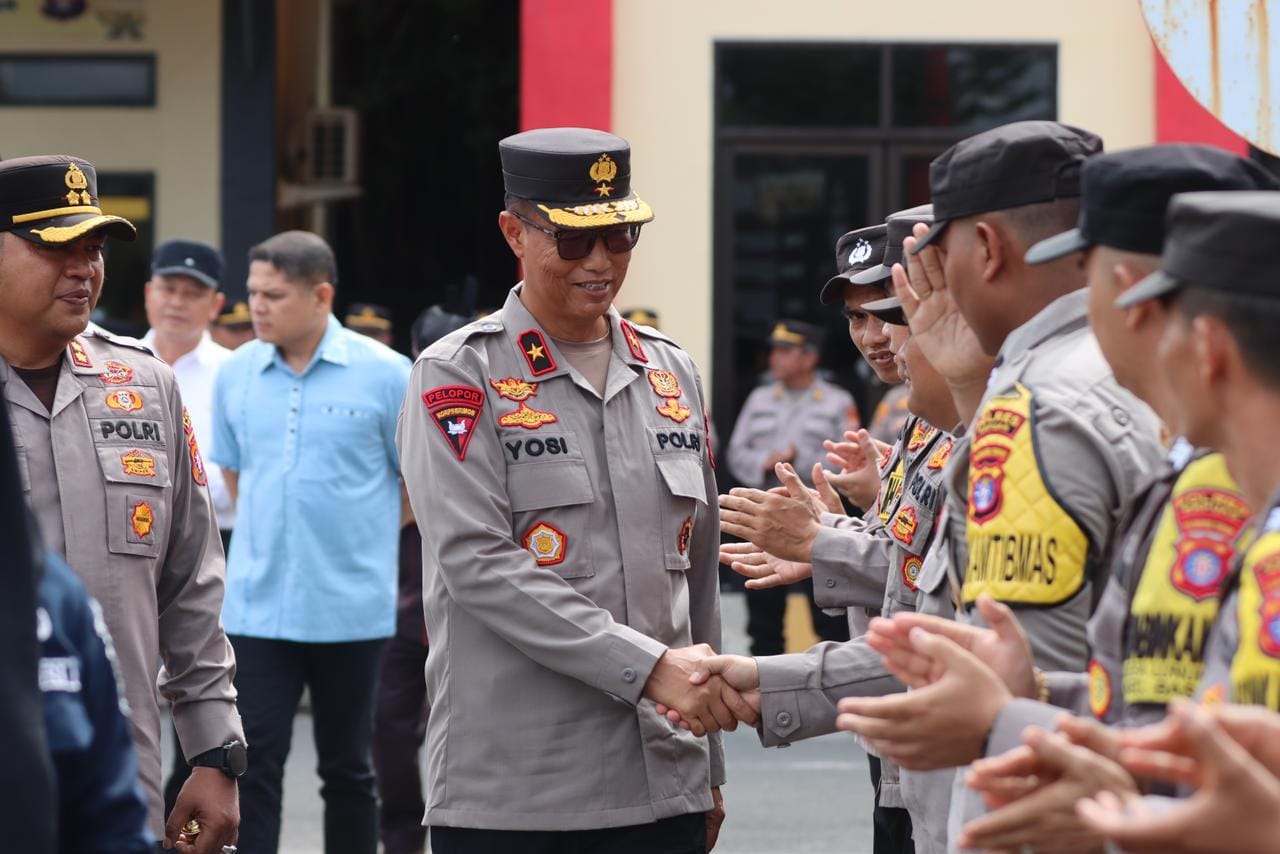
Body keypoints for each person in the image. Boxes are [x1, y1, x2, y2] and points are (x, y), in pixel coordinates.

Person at [846, 145, 1279, 852]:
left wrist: (1011, 720)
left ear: (1206, 346)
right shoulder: (1191, 473)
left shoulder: (1061, 409)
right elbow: (1174, 716)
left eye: (1093, 281)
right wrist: (1043, 697)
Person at [399, 127, 752, 854]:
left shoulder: (671, 373)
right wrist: (649, 670)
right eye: (572, 240)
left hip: (664, 781)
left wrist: (708, 767)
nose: (600, 261)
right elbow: (476, 562)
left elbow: (697, 581)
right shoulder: (460, 374)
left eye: (620, 236)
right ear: (514, 233)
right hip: (519, 796)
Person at [833, 120, 1168, 840]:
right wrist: (965, 389)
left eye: (938, 255)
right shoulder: (1098, 366)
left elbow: (1024, 712)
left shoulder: (1039, 408)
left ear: (985, 248)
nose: (928, 285)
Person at [0, 154, 245, 850]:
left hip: (121, 773)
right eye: (56, 248)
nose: (83, 269)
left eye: (94, 250)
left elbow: (191, 582)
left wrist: (214, 751)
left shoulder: (142, 383)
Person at [210, 230, 411, 854]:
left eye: (273, 295)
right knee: (253, 765)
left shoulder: (387, 374)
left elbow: (417, 485)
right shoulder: (236, 374)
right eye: (253, 292)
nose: (257, 306)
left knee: (349, 770)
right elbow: (237, 476)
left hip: (352, 609)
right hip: (257, 607)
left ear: (321, 296)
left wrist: (359, 534)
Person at [373, 305, 469, 854]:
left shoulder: (494, 401)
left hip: (469, 604)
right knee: (388, 728)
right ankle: (402, 836)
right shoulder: (399, 398)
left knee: (469, 736)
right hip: (403, 603)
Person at [727, 319, 855, 655]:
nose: (775, 357)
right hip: (766, 515)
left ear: (810, 357)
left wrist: (802, 466)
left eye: (786, 351)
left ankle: (834, 681)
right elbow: (736, 451)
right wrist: (764, 463)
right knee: (763, 616)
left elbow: (849, 458)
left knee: (829, 616)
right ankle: (766, 681)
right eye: (774, 350)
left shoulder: (837, 401)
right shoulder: (760, 398)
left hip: (816, 519)